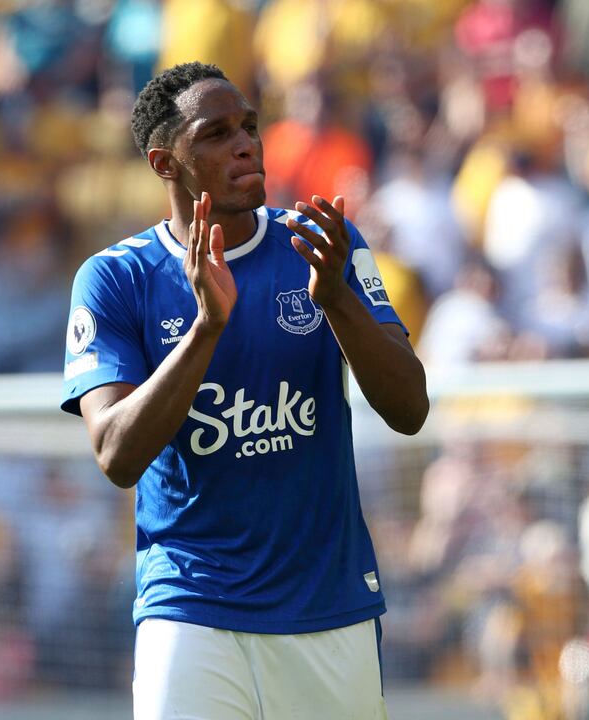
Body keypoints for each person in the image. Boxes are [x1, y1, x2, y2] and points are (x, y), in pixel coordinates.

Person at [60, 62, 428, 719]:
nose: (246, 144)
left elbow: (409, 409)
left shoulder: (320, 246)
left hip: (327, 602)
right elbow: (116, 454)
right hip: (191, 603)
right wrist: (207, 328)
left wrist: (339, 301)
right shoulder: (114, 279)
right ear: (163, 161)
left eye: (250, 127)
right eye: (216, 133)